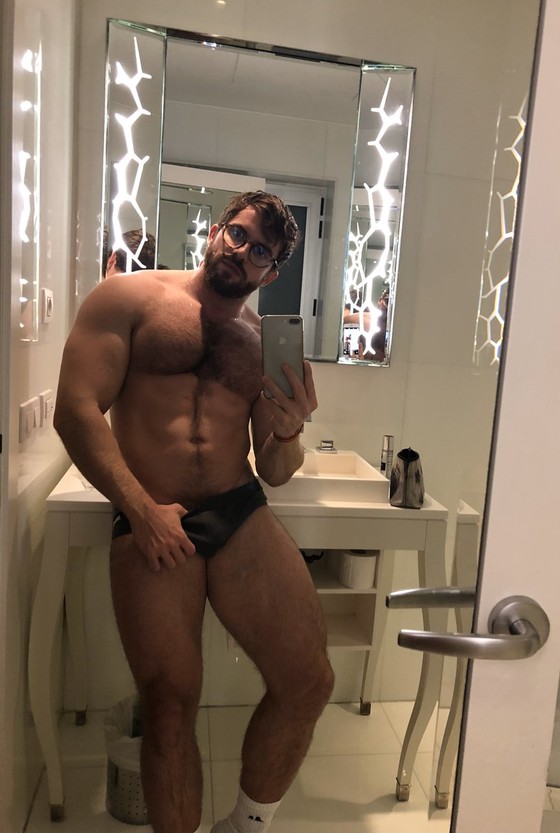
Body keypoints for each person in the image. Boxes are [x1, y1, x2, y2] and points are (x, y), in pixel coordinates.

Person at [54, 192, 334, 833]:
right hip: (151, 511)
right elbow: (75, 409)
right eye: (238, 234)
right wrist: (140, 509)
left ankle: (245, 824)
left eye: (260, 251)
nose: (242, 252)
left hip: (238, 508)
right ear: (214, 230)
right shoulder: (128, 297)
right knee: (170, 707)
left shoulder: (262, 342)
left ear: (271, 272)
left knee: (309, 681)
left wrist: (290, 428)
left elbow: (276, 470)